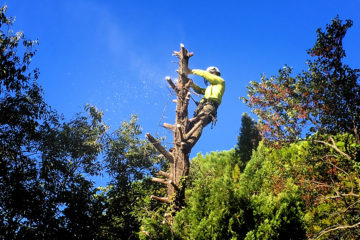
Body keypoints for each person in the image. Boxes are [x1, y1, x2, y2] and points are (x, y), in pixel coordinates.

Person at [184, 66, 225, 148]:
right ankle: (181, 143)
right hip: (202, 107)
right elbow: (200, 90)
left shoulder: (220, 82)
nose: (208, 77)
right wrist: (192, 84)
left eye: (210, 74)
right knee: (190, 125)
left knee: (198, 124)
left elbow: (205, 74)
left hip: (210, 106)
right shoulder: (210, 87)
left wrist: (190, 71)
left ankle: (187, 146)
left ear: (213, 73)